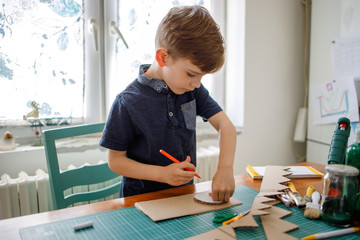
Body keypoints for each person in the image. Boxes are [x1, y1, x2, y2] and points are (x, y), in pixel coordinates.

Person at [99, 5, 236, 202]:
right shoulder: (127, 102)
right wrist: (162, 174)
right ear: (163, 58)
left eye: (202, 77)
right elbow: (116, 162)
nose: (197, 83)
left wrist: (225, 168)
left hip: (183, 197)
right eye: (191, 74)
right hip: (139, 204)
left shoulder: (192, 90)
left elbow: (226, 126)